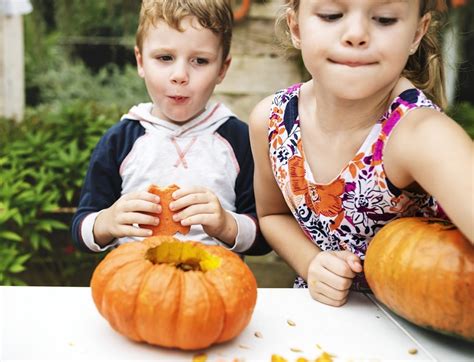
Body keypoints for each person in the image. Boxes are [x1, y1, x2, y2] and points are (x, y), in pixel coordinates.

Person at [249, 0, 473, 306]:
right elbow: (273, 215)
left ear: (416, 34)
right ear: (296, 26)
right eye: (331, 15)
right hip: (318, 327)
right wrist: (311, 263)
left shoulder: (421, 135)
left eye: (384, 19)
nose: (356, 34)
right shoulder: (272, 121)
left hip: (417, 337)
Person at [71, 0, 270, 256]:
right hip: (136, 281)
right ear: (141, 62)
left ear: (222, 69)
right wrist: (106, 222)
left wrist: (227, 225)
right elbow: (80, 228)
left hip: (214, 282)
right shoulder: (120, 140)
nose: (180, 75)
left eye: (199, 60)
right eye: (165, 58)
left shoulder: (240, 140)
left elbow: (264, 236)